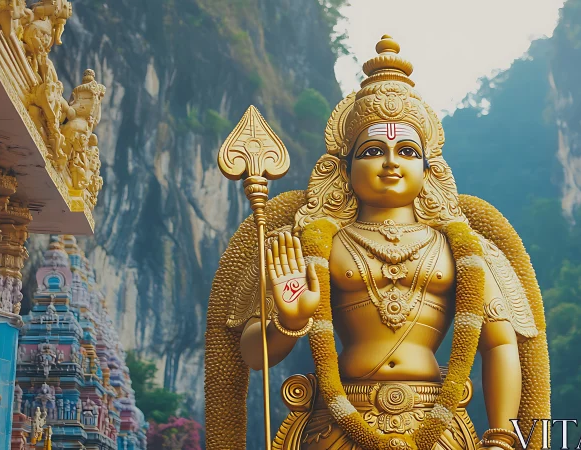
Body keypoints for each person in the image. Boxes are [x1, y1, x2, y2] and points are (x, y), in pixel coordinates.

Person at [206, 35, 550, 450]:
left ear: (428, 168)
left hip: (437, 427)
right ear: (345, 168)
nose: (391, 161)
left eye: (406, 150)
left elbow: (499, 343)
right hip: (338, 425)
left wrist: (500, 436)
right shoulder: (312, 243)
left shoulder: (464, 248)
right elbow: (253, 355)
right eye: (373, 150)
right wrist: (290, 321)